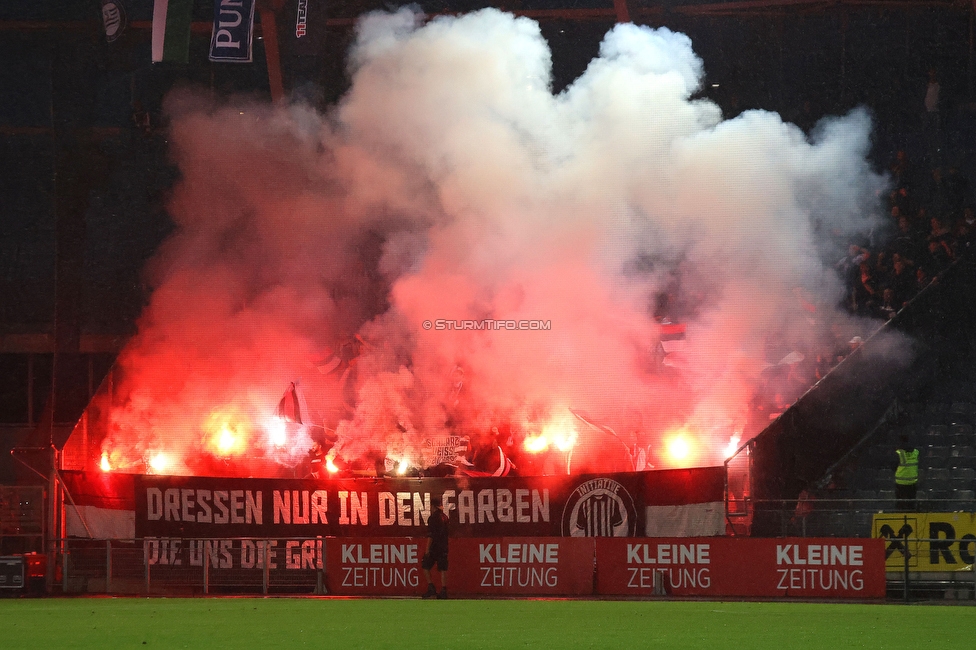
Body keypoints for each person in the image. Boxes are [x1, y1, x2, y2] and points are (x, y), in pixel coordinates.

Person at [422, 495, 450, 599]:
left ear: (433, 506)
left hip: (434, 547)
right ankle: (443, 590)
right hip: (443, 546)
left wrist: (427, 549)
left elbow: (431, 535)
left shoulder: (433, 518)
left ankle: (431, 587)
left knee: (425, 565)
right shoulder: (445, 517)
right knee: (443, 568)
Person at [895, 435, 919, 512]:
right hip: (912, 483)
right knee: (911, 505)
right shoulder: (916, 452)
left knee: (900, 505)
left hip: (900, 483)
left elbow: (893, 466)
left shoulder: (899, 453)